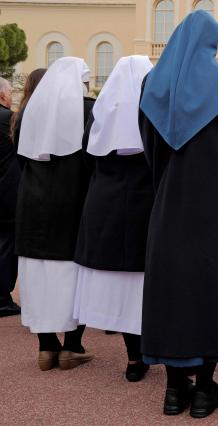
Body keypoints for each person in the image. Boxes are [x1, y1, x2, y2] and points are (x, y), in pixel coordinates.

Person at [138, 11, 218, 419]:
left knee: (172, 290)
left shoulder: (154, 83)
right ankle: (205, 390)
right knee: (213, 288)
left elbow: (150, 149)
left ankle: (174, 390)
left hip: (170, 203)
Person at [72, 55, 155, 382]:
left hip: (105, 202)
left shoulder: (99, 114)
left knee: (121, 285)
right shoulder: (153, 113)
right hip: (146, 204)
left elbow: (86, 155)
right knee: (145, 284)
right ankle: (149, 351)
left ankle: (134, 358)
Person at [14, 57, 96, 371]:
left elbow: (23, 158)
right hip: (73, 202)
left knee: (37, 276)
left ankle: (46, 347)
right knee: (74, 276)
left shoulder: (30, 111)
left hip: (33, 203)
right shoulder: (87, 110)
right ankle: (72, 346)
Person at [0, 77, 21, 317]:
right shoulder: (9, 119)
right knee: (7, 246)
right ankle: (2, 297)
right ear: (3, 95)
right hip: (7, 192)